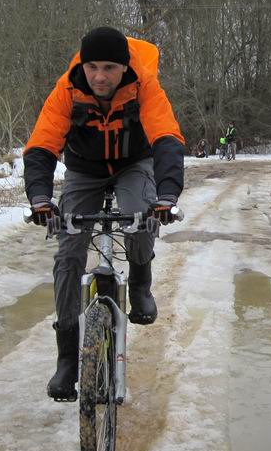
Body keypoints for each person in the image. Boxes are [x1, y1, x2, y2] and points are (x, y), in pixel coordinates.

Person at [23, 26, 185, 401]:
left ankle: (141, 284)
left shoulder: (144, 86)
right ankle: (66, 358)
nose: (99, 76)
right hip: (84, 169)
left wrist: (166, 195)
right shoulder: (67, 88)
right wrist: (40, 199)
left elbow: (166, 137)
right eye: (92, 66)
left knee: (140, 214)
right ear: (82, 64)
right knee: (68, 251)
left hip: (134, 163)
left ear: (124, 67)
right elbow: (43, 143)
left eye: (109, 67)